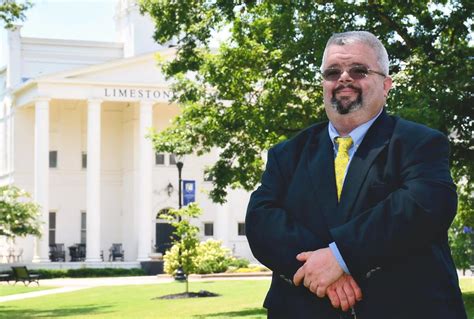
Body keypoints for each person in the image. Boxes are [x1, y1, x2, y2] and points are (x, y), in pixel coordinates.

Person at [245, 31, 467, 319]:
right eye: (333, 72)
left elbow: (424, 206)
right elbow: (261, 220)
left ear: (386, 84)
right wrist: (323, 268)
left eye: (359, 70)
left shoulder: (420, 143)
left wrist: (341, 256)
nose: (344, 78)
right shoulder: (286, 154)